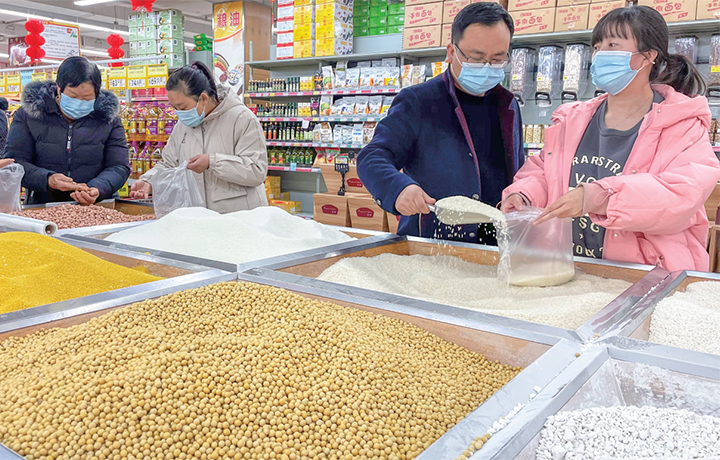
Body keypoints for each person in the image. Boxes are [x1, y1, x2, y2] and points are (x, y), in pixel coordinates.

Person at [502, 6, 720, 272]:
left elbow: (680, 194)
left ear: (648, 56)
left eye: (612, 45)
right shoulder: (573, 119)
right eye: (597, 47)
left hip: (645, 273)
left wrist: (601, 197)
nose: (600, 54)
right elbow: (544, 172)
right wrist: (524, 195)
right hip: (573, 269)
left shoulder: (682, 124)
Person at [357, 2, 524, 243]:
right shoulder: (419, 101)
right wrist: (398, 188)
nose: (487, 67)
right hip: (433, 243)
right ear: (452, 52)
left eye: (498, 59)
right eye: (476, 58)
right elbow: (372, 156)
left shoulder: (508, 104)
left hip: (498, 245)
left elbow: (518, 168)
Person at [130, 61, 268, 212]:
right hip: (200, 217)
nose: (179, 113)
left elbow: (256, 170)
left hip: (240, 216)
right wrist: (149, 181)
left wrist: (212, 162)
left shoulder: (242, 119)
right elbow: (169, 164)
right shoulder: (182, 126)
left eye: (183, 107)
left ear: (203, 98)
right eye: (175, 108)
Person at [4, 56, 130, 205]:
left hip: (98, 205)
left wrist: (98, 188)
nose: (79, 103)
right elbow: (15, 162)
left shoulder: (108, 118)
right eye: (73, 96)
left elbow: (119, 166)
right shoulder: (29, 115)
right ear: (59, 88)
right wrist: (47, 179)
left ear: (97, 94)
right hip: (43, 204)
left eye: (87, 98)